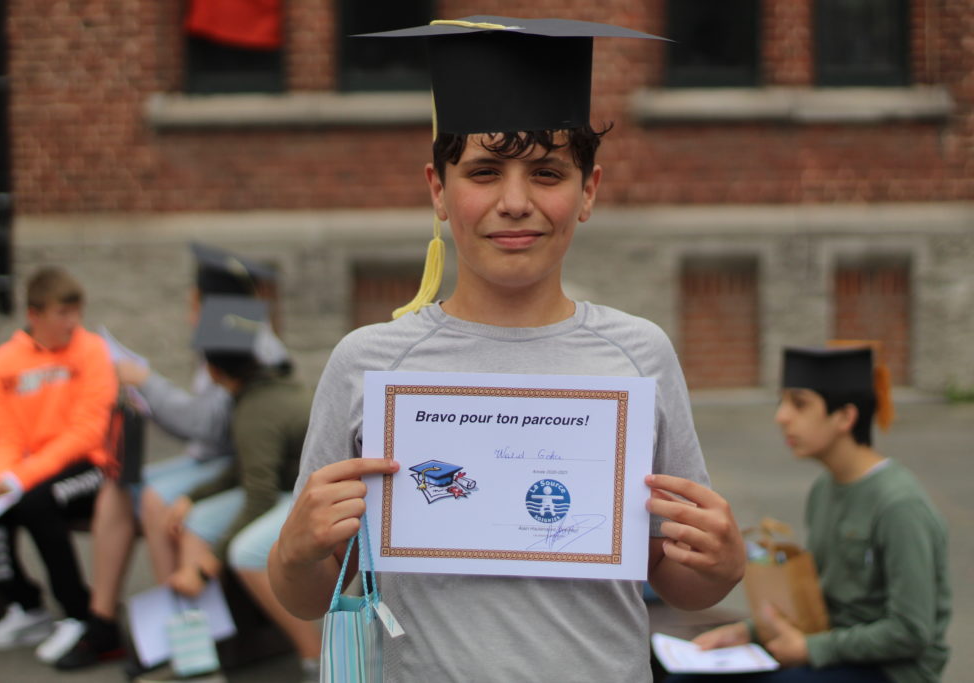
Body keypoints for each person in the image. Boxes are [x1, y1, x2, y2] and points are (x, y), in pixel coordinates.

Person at [268, 16, 746, 680]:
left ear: (588, 191)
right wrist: (294, 552)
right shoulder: (370, 364)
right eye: (484, 172)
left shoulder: (639, 356)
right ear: (438, 190)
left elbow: (675, 575)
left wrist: (722, 565)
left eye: (547, 172)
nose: (515, 201)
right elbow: (308, 594)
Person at [53, 243, 289, 670]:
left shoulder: (243, 341)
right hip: (212, 456)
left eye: (194, 300)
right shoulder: (227, 329)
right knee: (117, 488)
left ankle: (182, 636)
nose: (189, 308)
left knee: (155, 500)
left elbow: (208, 426)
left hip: (237, 461)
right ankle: (102, 622)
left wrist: (146, 382)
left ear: (205, 301)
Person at [667, 345, 951, 683]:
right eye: (782, 402)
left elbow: (911, 631)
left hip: (891, 670)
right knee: (687, 678)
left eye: (799, 404)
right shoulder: (825, 489)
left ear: (845, 417)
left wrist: (809, 649)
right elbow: (819, 597)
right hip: (832, 646)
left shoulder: (899, 505)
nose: (782, 417)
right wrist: (748, 632)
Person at [0, 266, 118, 663]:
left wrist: (17, 479)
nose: (72, 322)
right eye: (63, 313)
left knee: (35, 502)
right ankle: (24, 605)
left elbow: (87, 433)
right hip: (34, 470)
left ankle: (77, 612)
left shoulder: (92, 350)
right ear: (34, 314)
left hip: (91, 468)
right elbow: (7, 435)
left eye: (76, 312)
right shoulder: (2, 362)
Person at [149, 295, 321, 679]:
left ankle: (315, 657)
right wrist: (191, 498)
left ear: (213, 371)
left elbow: (259, 496)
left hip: (302, 493)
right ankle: (200, 656)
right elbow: (245, 467)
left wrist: (208, 565)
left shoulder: (255, 410)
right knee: (194, 523)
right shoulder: (263, 388)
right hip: (284, 487)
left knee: (246, 553)